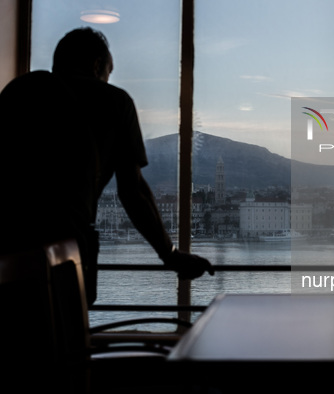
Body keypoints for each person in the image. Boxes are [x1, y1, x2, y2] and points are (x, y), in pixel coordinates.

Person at [0, 27, 213, 305]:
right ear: (97, 65)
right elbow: (132, 191)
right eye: (108, 72)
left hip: (7, 241)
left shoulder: (18, 92)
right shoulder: (115, 102)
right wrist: (169, 254)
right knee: (65, 337)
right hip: (66, 246)